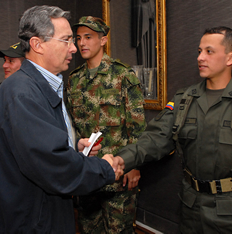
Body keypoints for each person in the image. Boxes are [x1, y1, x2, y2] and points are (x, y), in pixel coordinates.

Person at [113, 26, 232, 234]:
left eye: (209, 51)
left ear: (230, 58)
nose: (200, 57)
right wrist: (122, 159)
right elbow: (155, 138)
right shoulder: (184, 99)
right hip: (192, 211)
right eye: (199, 51)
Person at [0, 6, 119, 234]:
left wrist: (73, 146)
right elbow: (53, 165)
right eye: (66, 40)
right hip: (30, 222)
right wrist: (104, 169)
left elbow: (35, 144)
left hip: (42, 213)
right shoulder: (22, 92)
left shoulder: (43, 84)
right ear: (37, 44)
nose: (74, 48)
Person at [67, 16, 146, 233]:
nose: (82, 43)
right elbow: (73, 127)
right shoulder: (74, 79)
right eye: (79, 38)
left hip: (118, 175)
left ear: (103, 40)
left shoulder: (123, 74)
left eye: (89, 37)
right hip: (88, 175)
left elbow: (137, 126)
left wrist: (134, 165)